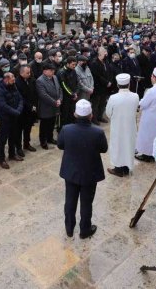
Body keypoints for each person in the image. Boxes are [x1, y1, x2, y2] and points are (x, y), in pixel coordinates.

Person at [57, 99, 107, 239]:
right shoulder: (98, 132)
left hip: (71, 171)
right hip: (90, 173)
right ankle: (84, 230)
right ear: (90, 115)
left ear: (75, 114)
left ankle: (69, 228)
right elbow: (104, 149)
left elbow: (60, 145)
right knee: (86, 203)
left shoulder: (66, 129)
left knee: (70, 201)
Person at [105, 74, 140, 177]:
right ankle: (126, 167)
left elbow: (108, 113)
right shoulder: (135, 96)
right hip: (130, 127)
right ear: (129, 84)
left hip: (118, 127)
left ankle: (118, 169)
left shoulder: (113, 98)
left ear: (117, 84)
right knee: (128, 145)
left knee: (118, 146)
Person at [0, 72, 23, 169]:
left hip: (14, 117)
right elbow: (2, 105)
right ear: (6, 79)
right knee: (3, 139)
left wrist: (18, 110)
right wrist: (15, 112)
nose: (14, 80)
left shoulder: (13, 86)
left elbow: (20, 99)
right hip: (4, 118)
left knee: (13, 137)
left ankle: (12, 154)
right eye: (12, 79)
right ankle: (1, 159)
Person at [36, 62, 62, 149]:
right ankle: (43, 141)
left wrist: (60, 99)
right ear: (45, 71)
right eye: (51, 70)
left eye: (53, 70)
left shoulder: (54, 77)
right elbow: (43, 95)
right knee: (44, 125)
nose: (53, 72)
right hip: (46, 107)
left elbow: (59, 89)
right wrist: (55, 102)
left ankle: (50, 138)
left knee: (52, 123)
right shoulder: (40, 80)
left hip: (55, 106)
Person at [14, 65, 37, 154]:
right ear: (21, 73)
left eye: (29, 72)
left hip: (31, 109)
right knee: (19, 130)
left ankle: (26, 144)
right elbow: (20, 97)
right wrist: (30, 106)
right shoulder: (17, 82)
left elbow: (34, 93)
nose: (29, 74)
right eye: (27, 73)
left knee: (28, 128)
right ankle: (18, 147)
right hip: (21, 110)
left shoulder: (31, 80)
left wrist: (34, 105)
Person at [89, 48, 111, 122]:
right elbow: (97, 76)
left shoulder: (105, 61)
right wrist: (106, 82)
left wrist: (109, 81)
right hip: (98, 87)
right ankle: (94, 118)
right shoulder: (94, 63)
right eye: (105, 52)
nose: (106, 53)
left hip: (105, 87)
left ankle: (100, 116)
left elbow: (108, 72)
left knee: (103, 103)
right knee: (96, 104)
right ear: (100, 53)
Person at [59, 57, 79, 128]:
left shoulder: (73, 70)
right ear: (68, 64)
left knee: (72, 113)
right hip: (65, 98)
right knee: (65, 115)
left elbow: (77, 82)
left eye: (75, 64)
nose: (74, 66)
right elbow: (64, 85)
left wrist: (76, 92)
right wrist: (72, 94)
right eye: (73, 64)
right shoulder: (62, 72)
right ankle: (62, 129)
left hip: (73, 96)